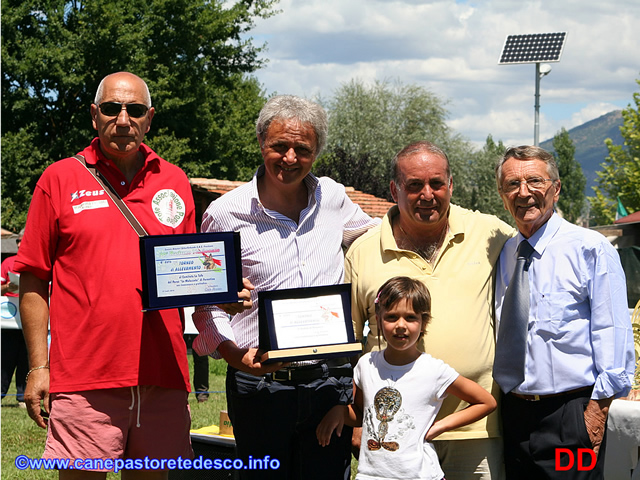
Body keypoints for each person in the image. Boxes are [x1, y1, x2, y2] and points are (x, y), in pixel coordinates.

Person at [15, 72, 195, 479]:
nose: (123, 119)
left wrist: (223, 291)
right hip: (85, 377)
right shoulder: (59, 179)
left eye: (134, 110)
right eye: (112, 109)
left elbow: (190, 273)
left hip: (161, 375)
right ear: (95, 116)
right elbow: (33, 280)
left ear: (149, 118)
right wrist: (38, 367)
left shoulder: (175, 181)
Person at [192, 94, 379, 480]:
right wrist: (233, 354)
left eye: (302, 149)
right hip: (258, 385)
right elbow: (206, 303)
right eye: (279, 146)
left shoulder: (334, 198)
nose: (290, 158)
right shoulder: (225, 213)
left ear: (317, 153)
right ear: (262, 143)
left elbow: (377, 239)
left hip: (330, 382)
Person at [344, 141, 514, 480]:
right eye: (414, 185)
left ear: (450, 185)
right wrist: (353, 419)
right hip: (393, 435)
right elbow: (344, 348)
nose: (427, 194)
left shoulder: (490, 235)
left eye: (436, 183)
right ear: (394, 189)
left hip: (474, 429)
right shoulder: (362, 253)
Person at [493, 145, 635, 479]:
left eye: (534, 181)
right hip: (512, 417)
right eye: (512, 184)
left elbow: (612, 335)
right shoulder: (507, 254)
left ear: (556, 189)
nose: (524, 193)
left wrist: (594, 417)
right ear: (502, 195)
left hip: (570, 418)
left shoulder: (590, 248)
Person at [317, 276, 497, 480]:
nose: (401, 325)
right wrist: (339, 412)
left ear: (424, 321)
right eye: (391, 317)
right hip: (371, 476)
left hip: (420, 475)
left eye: (411, 318)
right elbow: (361, 413)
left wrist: (440, 426)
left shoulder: (433, 370)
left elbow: (486, 401)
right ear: (378, 318)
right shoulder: (365, 365)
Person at [1, 229, 29, 407]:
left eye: (22, 240)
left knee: (26, 358)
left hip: (29, 317)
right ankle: (2, 392)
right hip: (8, 318)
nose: (19, 244)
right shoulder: (7, 263)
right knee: (5, 357)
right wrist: (9, 287)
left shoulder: (36, 263)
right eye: (17, 241)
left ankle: (22, 396)